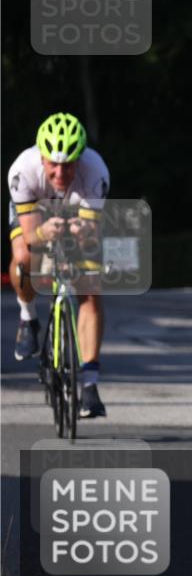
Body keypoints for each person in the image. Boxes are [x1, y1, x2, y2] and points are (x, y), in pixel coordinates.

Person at [7, 112, 110, 418]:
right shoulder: (22, 171)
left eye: (68, 164)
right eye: (53, 163)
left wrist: (81, 234)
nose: (60, 171)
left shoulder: (96, 171)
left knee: (90, 288)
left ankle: (90, 385)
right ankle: (28, 318)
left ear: (81, 158)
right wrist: (42, 233)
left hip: (78, 210)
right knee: (24, 260)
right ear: (42, 157)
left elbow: (90, 233)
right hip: (35, 211)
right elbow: (28, 237)